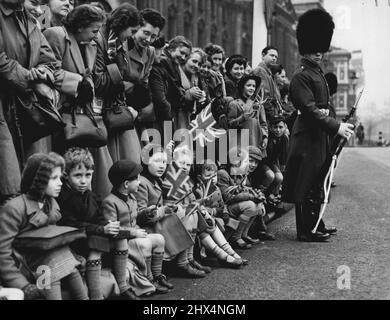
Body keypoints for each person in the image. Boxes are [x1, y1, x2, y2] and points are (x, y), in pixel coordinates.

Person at [282, 9, 354, 242]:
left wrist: (334, 121)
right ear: (306, 49)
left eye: (321, 49)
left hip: (318, 135)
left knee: (317, 180)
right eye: (315, 49)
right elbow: (310, 108)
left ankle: (316, 222)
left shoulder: (317, 73)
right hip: (307, 136)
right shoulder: (301, 76)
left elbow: (323, 106)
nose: (319, 53)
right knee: (306, 181)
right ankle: (305, 230)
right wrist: (335, 127)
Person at [57, 147, 148, 300]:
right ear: (66, 175)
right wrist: (102, 229)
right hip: (75, 240)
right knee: (96, 249)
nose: (84, 180)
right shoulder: (62, 198)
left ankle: (123, 287)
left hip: (94, 234)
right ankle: (96, 295)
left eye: (88, 175)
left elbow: (99, 218)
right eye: (78, 175)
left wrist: (110, 226)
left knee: (121, 239)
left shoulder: (92, 196)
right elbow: (71, 224)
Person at [44, 4, 113, 200]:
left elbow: (88, 73)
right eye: (94, 29)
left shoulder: (89, 44)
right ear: (81, 26)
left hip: (79, 115)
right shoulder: (56, 35)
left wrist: (87, 85)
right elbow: (48, 68)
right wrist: (77, 83)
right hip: (58, 113)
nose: (97, 34)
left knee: (77, 167)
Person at [0, 153, 88, 300]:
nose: (60, 183)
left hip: (48, 258)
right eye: (54, 178)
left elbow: (53, 237)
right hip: (26, 266)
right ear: (37, 181)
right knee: (50, 266)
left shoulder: (50, 203)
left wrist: (75, 257)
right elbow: (2, 253)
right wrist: (23, 285)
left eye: (60, 177)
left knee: (67, 263)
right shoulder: (14, 208)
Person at [0, 0, 57, 205]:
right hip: (6, 103)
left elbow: (49, 58)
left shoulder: (29, 18)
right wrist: (31, 81)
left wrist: (43, 74)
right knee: (8, 179)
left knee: (28, 174)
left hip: (24, 107)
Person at [135, 144, 207, 278]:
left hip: (158, 221)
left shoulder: (156, 179)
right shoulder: (142, 183)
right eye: (157, 161)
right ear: (145, 161)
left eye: (164, 162)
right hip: (148, 227)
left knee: (189, 213)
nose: (162, 166)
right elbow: (140, 216)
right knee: (180, 212)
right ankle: (182, 262)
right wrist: (164, 210)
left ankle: (188, 259)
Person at [104, 159, 171, 295]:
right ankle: (148, 280)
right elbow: (112, 230)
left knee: (159, 239)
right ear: (126, 184)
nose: (140, 182)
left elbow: (135, 217)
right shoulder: (109, 202)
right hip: (121, 242)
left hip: (134, 236)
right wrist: (133, 232)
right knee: (145, 243)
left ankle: (157, 275)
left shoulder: (131, 197)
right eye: (137, 180)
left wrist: (147, 212)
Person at [93, 3, 142, 165]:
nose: (132, 36)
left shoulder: (119, 41)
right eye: (132, 31)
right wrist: (122, 85)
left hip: (116, 110)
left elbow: (124, 72)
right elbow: (98, 81)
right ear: (122, 24)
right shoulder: (101, 39)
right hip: (103, 112)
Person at [193, 160, 247, 267]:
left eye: (214, 176)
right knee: (209, 227)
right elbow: (200, 207)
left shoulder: (216, 189)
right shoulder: (198, 190)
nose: (213, 179)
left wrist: (225, 212)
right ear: (200, 177)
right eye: (209, 176)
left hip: (212, 218)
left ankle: (230, 253)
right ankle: (223, 256)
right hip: (204, 220)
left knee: (230, 222)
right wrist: (214, 212)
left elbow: (223, 204)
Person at [125, 8, 166, 136]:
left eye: (153, 36)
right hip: (120, 105)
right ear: (137, 28)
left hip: (138, 107)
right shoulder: (123, 45)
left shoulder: (150, 51)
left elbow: (145, 81)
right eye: (146, 33)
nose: (148, 39)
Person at [217, 147, 264, 249]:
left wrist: (258, 195)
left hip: (233, 206)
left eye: (255, 162)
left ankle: (244, 234)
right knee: (250, 205)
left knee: (258, 205)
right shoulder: (223, 173)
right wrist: (250, 196)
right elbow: (227, 197)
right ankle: (235, 237)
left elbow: (245, 190)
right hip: (223, 209)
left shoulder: (242, 173)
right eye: (249, 161)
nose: (252, 165)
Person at [150, 36, 192, 134]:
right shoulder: (164, 60)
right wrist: (182, 92)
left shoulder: (173, 63)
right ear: (171, 48)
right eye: (181, 53)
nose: (183, 57)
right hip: (162, 112)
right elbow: (174, 89)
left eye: (186, 56)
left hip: (167, 110)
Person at [226, 74, 268, 157]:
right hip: (240, 142)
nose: (251, 88)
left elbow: (263, 124)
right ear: (242, 87)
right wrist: (242, 118)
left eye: (254, 86)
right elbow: (229, 124)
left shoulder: (258, 106)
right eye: (248, 85)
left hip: (256, 140)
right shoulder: (234, 104)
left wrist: (265, 137)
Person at [177, 48, 209, 129]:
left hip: (186, 118)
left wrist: (200, 98)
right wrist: (189, 93)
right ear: (186, 59)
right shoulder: (176, 72)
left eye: (199, 64)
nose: (196, 66)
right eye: (194, 61)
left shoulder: (195, 76)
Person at [251, 46, 283, 120]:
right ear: (263, 55)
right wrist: (273, 116)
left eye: (276, 57)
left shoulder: (268, 73)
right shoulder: (260, 71)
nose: (274, 58)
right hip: (264, 115)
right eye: (272, 55)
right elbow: (265, 97)